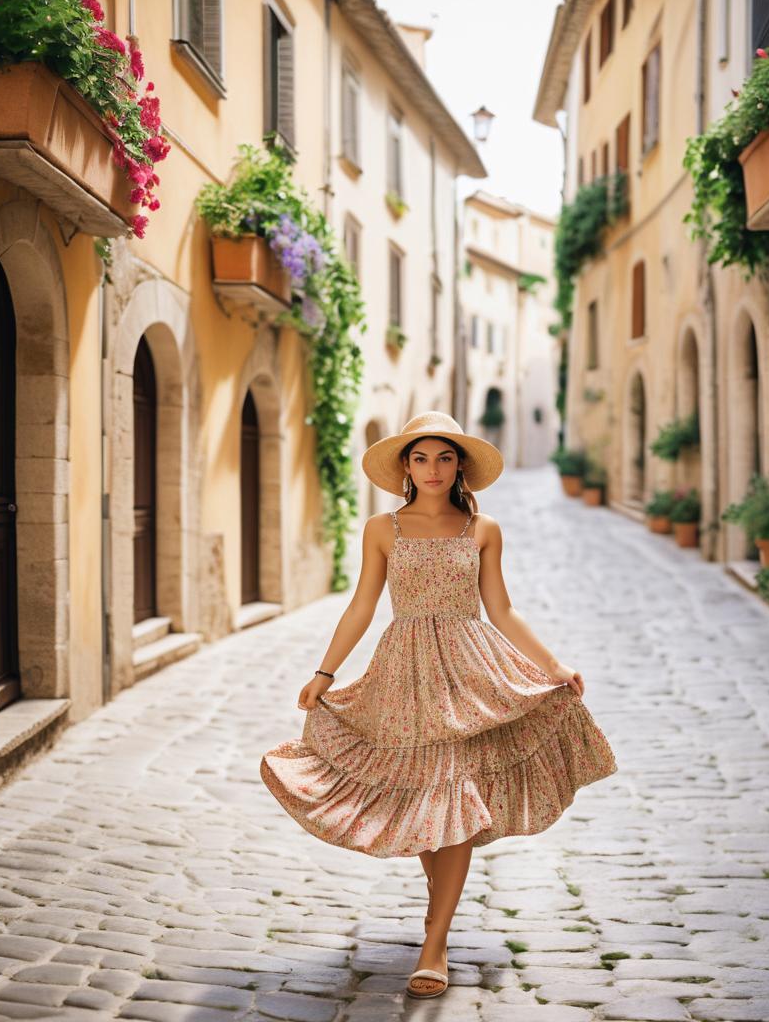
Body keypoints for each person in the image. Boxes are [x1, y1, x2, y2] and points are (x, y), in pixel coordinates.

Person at [260, 411, 617, 999]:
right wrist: (324, 672)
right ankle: (439, 921)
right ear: (405, 466)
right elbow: (361, 607)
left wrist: (554, 667)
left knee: (453, 796)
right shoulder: (383, 528)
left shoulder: (482, 529)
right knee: (431, 801)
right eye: (421, 458)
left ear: (459, 467)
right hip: (403, 673)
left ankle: (435, 941)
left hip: (471, 672)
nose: (432, 469)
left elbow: (501, 609)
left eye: (444, 458)